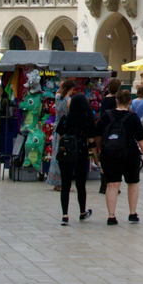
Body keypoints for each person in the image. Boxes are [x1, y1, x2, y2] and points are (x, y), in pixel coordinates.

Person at [97, 80, 143, 224]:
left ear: (116, 100)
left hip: (109, 154)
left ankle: (111, 216)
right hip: (130, 153)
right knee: (132, 183)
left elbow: (98, 135)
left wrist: (96, 153)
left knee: (112, 184)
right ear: (130, 102)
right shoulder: (133, 117)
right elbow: (141, 138)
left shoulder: (106, 115)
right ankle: (132, 213)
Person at [53, 78, 93, 224]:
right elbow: (91, 139)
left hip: (66, 153)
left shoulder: (65, 120)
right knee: (80, 184)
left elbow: (58, 137)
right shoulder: (86, 122)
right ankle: (82, 211)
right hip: (81, 151)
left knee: (65, 184)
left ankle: (65, 215)